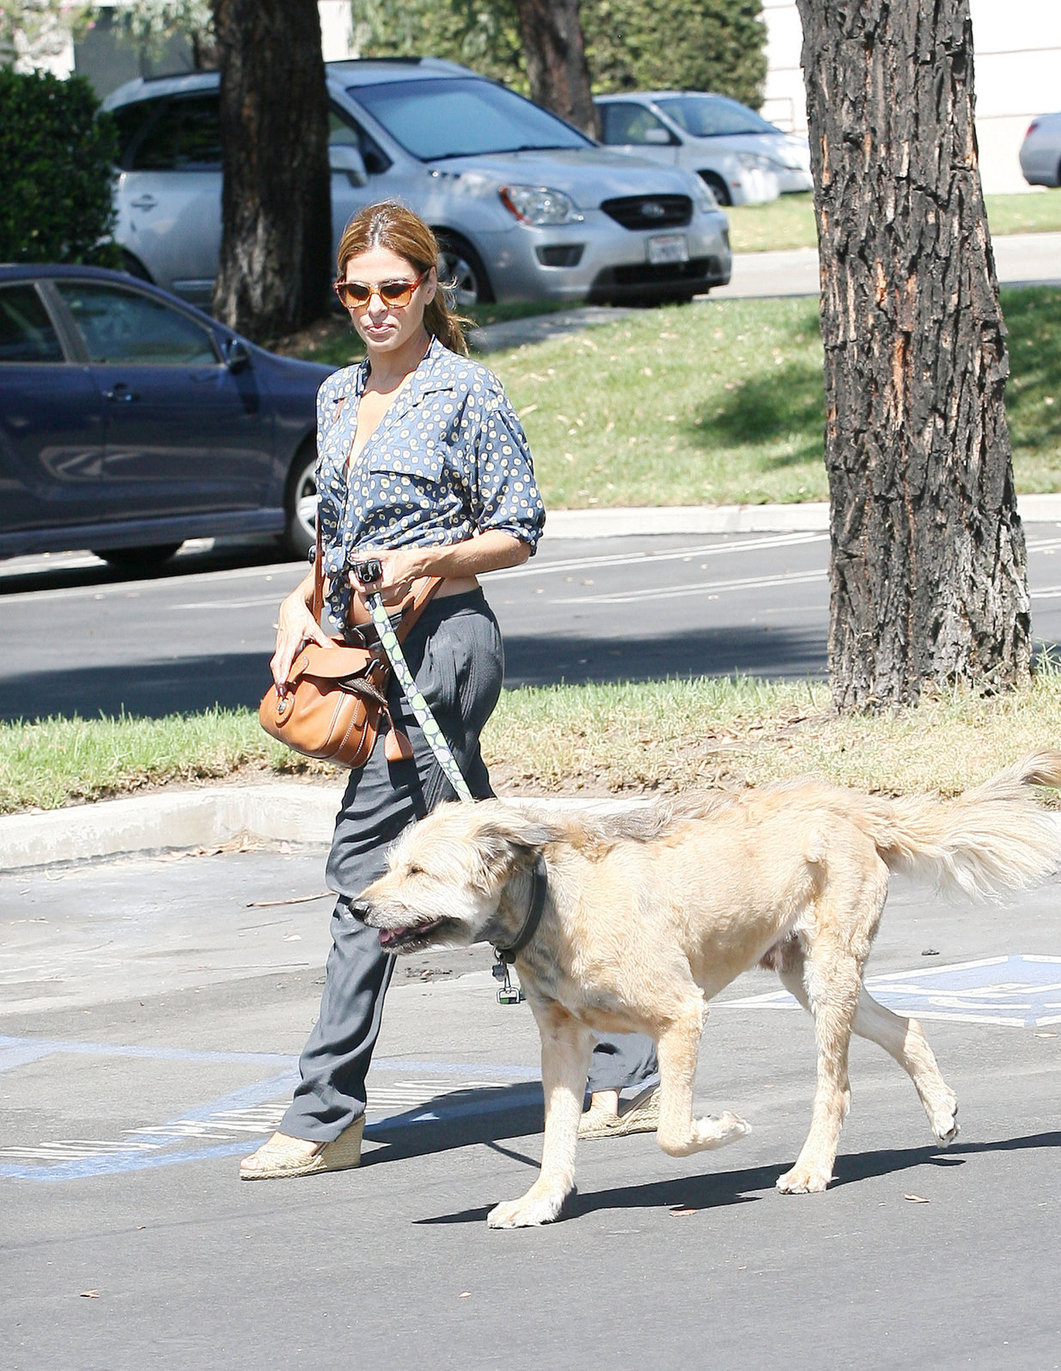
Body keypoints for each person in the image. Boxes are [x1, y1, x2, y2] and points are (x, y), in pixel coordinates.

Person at [240, 200, 656, 1181]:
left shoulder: (464, 392)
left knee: (365, 870)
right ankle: (629, 1049)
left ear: (427, 286)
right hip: (366, 649)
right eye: (356, 291)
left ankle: (324, 1112)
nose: (375, 307)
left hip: (445, 647)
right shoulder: (336, 397)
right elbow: (331, 538)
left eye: (394, 287)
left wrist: (432, 553)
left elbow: (519, 526)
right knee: (488, 863)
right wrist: (296, 609)